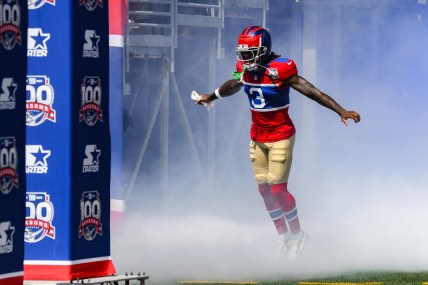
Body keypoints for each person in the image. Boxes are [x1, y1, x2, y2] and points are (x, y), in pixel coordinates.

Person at [194, 26, 360, 258]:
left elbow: (311, 91)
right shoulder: (243, 68)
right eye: (243, 53)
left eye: (250, 53)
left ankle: (299, 236)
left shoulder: (281, 68)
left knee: (278, 189)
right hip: (257, 136)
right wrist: (210, 96)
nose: (244, 58)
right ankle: (283, 237)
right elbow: (234, 83)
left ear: (263, 51)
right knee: (264, 190)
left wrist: (340, 110)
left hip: (281, 135)